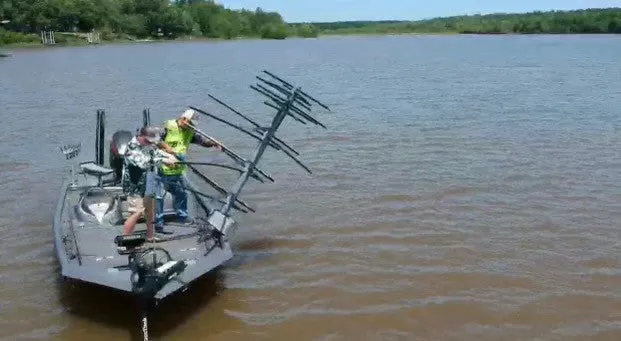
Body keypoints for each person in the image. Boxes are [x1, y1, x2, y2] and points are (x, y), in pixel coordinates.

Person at [154, 109, 222, 230]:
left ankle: (182, 218)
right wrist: (166, 147)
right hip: (163, 167)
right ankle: (158, 222)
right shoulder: (168, 127)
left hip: (179, 168)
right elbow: (154, 139)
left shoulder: (190, 131)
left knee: (182, 193)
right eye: (190, 123)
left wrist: (213, 143)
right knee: (160, 197)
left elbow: (202, 141)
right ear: (184, 119)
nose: (191, 127)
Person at [122, 126, 178, 241]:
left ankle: (151, 236)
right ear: (141, 137)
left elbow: (156, 152)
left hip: (149, 183)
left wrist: (169, 156)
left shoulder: (148, 144)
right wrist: (164, 161)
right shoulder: (132, 148)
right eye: (148, 141)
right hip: (135, 186)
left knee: (150, 210)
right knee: (137, 213)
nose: (150, 144)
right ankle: (126, 240)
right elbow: (143, 163)